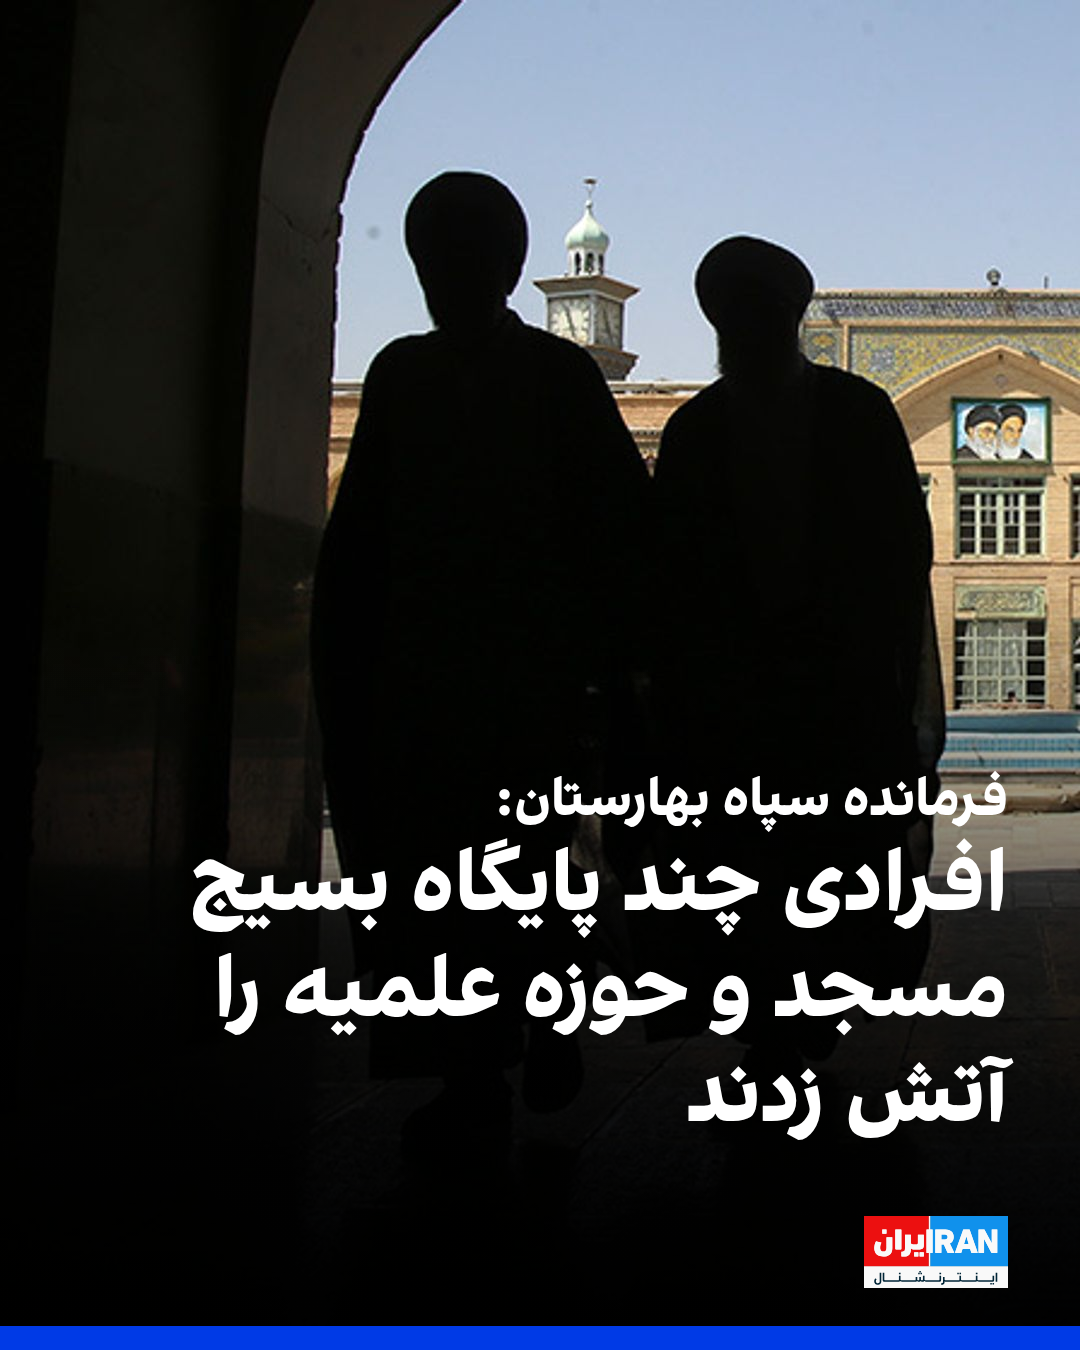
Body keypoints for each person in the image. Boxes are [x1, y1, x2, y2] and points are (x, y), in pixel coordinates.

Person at [310, 172, 649, 1164]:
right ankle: (483, 1065)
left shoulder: (546, 376)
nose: (444, 281)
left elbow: (616, 533)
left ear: (502, 268)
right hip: (444, 687)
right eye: (436, 262)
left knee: (506, 881)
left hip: (513, 688)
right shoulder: (417, 373)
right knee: (447, 888)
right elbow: (364, 537)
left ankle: (519, 1041)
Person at [647, 235, 944, 1075]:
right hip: (734, 714)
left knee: (832, 878)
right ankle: (773, 1035)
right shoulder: (697, 431)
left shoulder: (856, 414)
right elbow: (667, 578)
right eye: (737, 318)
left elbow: (900, 556)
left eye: (762, 316)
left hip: (834, 707)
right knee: (744, 881)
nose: (749, 333)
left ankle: (807, 1032)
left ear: (791, 320)